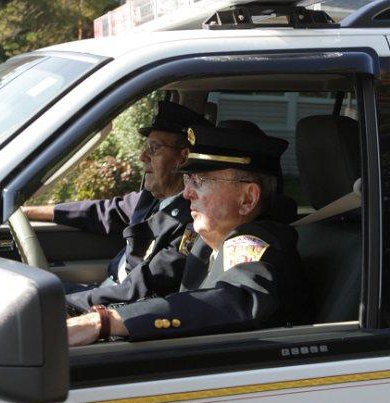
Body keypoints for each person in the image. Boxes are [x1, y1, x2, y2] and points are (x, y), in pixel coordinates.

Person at [67, 123, 311, 346]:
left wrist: (104, 321)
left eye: (201, 181)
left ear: (247, 198)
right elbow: (149, 285)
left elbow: (233, 300)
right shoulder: (204, 239)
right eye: (187, 179)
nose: (186, 193)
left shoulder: (256, 241)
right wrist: (65, 306)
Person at [24, 102, 213, 311]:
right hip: (108, 291)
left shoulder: (193, 219)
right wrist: (26, 212)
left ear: (183, 158)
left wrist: (66, 302)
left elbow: (144, 288)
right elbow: (102, 211)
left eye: (154, 148)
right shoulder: (151, 198)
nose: (143, 157)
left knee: (32, 300)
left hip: (120, 309)